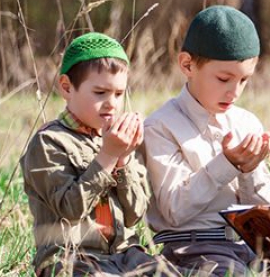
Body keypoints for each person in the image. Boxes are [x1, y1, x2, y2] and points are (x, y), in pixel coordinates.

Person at [20, 33, 176, 276]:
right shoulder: (49, 142)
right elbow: (69, 209)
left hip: (124, 253)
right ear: (67, 87)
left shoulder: (114, 139)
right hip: (72, 257)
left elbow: (135, 215)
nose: (112, 103)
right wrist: (107, 157)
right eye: (100, 92)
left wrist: (122, 160)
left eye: (118, 93)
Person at [141, 5, 270, 276]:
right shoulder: (161, 126)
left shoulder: (246, 122)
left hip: (251, 247)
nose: (235, 91)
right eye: (224, 79)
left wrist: (250, 170)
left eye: (244, 80)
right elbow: (175, 210)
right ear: (187, 65)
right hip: (194, 248)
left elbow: (263, 216)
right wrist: (226, 163)